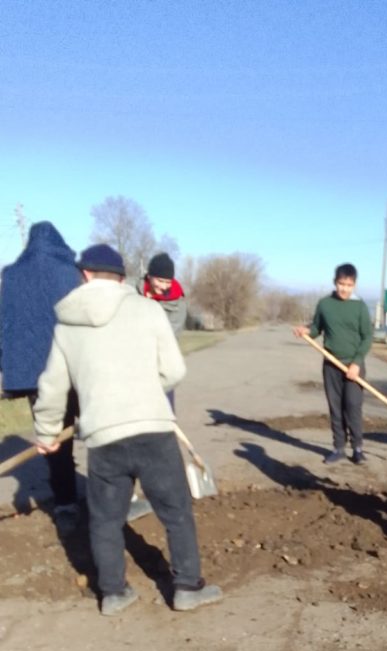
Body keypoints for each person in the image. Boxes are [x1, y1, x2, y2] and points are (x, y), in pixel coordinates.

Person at [33, 244, 222, 616]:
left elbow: (53, 387)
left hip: (103, 436)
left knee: (105, 518)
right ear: (122, 277)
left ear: (84, 274)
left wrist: (47, 431)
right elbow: (174, 371)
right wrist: (146, 390)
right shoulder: (149, 309)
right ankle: (186, 588)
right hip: (153, 429)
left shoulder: (67, 324)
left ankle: (114, 594)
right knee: (176, 511)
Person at [0, 222, 82, 533]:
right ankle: (111, 498)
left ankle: (65, 503)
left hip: (38, 375)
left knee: (53, 437)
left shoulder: (11, 276)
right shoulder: (72, 273)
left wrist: (9, 365)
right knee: (99, 430)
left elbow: (4, 325)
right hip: (77, 368)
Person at [128, 252, 189, 521]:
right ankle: (128, 493)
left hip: (161, 372)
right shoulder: (130, 290)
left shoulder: (178, 303)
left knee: (163, 429)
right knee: (129, 431)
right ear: (148, 276)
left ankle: (166, 488)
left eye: (167, 281)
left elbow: (166, 339)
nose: (163, 286)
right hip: (129, 372)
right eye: (158, 280)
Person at [294, 263, 372, 464]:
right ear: (335, 282)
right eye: (341, 283)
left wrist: (356, 363)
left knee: (353, 406)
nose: (344, 288)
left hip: (353, 367)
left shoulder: (360, 307)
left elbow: (367, 338)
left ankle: (357, 448)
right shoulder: (325, 304)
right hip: (331, 364)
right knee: (335, 407)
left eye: (349, 284)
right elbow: (316, 329)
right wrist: (306, 331)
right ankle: (338, 448)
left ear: (354, 285)